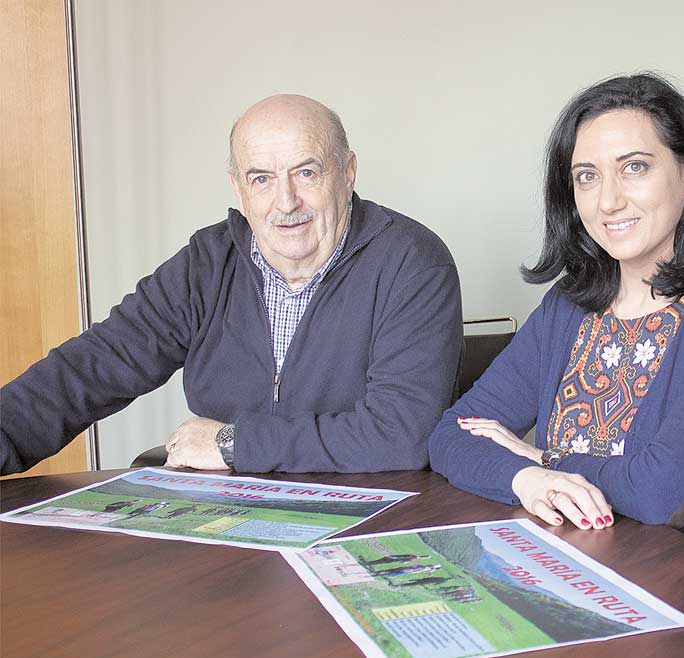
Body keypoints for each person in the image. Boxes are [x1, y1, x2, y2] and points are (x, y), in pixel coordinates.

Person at [428, 73, 684, 658]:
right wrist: (525, 483)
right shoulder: (567, 306)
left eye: (634, 167)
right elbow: (451, 436)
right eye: (587, 176)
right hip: (574, 573)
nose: (607, 200)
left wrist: (541, 462)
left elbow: (662, 492)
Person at [0, 94, 461, 475]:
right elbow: (91, 368)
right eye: (261, 178)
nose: (286, 202)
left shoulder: (413, 263)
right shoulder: (208, 263)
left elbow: (402, 436)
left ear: (347, 172)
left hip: (369, 518)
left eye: (307, 172)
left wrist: (233, 443)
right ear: (238, 188)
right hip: (230, 521)